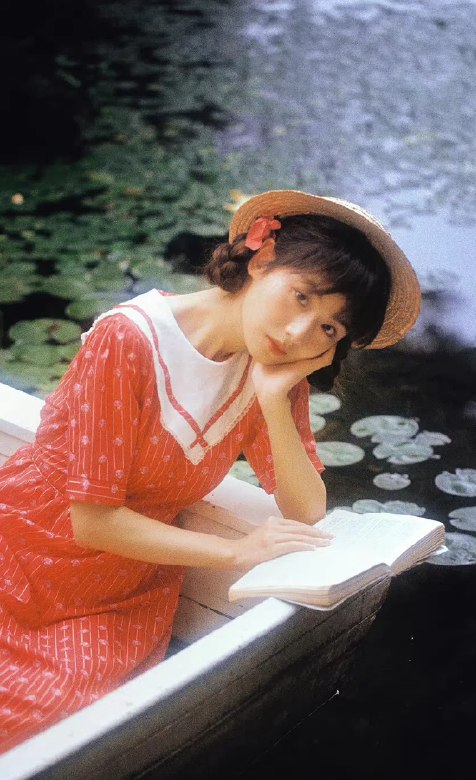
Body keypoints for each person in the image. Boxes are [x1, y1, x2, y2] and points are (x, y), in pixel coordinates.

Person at [0, 189, 421, 751]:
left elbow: (306, 509)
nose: (298, 333)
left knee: (64, 717)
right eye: (301, 297)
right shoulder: (129, 338)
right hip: (26, 552)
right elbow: (93, 521)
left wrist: (274, 401)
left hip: (122, 589)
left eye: (329, 329)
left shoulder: (272, 364)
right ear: (262, 257)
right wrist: (235, 553)